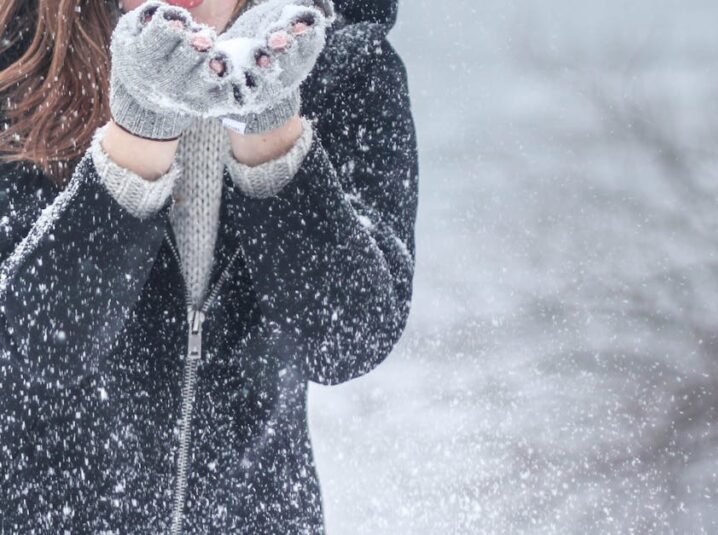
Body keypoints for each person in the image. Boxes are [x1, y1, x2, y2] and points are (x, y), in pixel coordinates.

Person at [0, 0, 417, 531]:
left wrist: (269, 131)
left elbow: (347, 340)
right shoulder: (21, 58)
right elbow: (32, 349)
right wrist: (139, 133)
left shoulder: (346, 66)